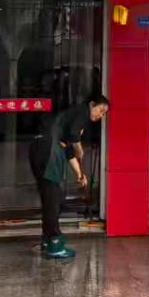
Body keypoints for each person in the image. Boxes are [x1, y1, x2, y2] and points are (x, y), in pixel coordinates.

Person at [27, 93, 109, 260]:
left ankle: (47, 240)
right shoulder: (82, 111)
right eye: (101, 110)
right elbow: (73, 136)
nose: (100, 116)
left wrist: (80, 174)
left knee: (49, 196)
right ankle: (55, 243)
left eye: (103, 114)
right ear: (92, 104)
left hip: (38, 148)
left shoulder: (68, 117)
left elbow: (68, 149)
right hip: (48, 150)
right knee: (53, 198)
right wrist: (80, 149)